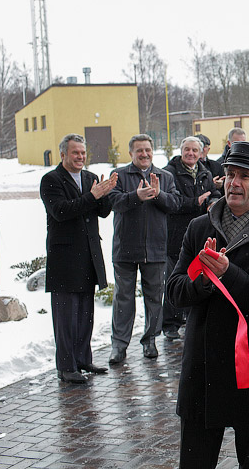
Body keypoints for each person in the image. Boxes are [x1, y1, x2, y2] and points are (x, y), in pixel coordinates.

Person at [166, 141, 249, 469]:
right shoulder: (200, 227)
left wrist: (229, 274)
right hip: (203, 369)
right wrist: (205, 282)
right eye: (229, 174)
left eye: (245, 176)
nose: (233, 183)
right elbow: (174, 291)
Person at [40, 134, 118, 383]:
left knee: (85, 313)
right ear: (63, 154)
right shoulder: (51, 180)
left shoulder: (90, 177)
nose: (80, 157)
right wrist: (93, 196)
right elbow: (62, 211)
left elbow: (102, 213)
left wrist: (105, 194)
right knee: (66, 317)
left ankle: (83, 359)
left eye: (83, 153)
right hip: (65, 258)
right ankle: (66, 367)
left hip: (88, 255)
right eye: (75, 153)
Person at [107, 134, 181, 364]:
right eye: (139, 150)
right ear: (131, 153)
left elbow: (175, 204)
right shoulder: (118, 176)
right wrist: (135, 197)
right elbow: (113, 202)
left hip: (156, 249)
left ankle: (150, 340)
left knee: (154, 298)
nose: (144, 154)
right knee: (123, 299)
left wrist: (158, 194)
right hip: (125, 248)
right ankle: (119, 346)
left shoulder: (164, 177)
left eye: (148, 150)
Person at [162, 136, 220, 340]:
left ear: (201, 152)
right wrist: (195, 201)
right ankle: (170, 323)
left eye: (195, 150)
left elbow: (213, 193)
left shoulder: (204, 172)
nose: (191, 154)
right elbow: (171, 201)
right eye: (187, 149)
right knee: (175, 278)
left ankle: (189, 318)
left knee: (195, 276)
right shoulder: (169, 173)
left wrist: (212, 201)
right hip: (177, 234)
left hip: (199, 234)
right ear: (181, 150)